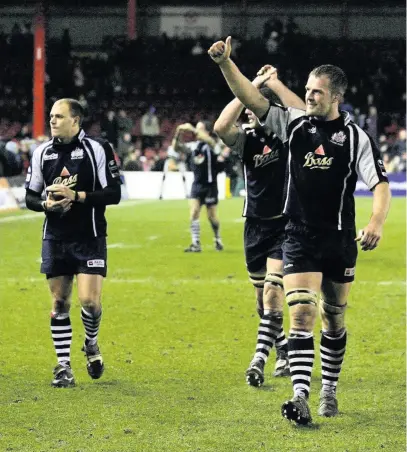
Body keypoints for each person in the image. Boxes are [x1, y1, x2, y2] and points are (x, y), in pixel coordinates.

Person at [208, 37, 391, 424]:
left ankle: (329, 389)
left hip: (339, 239)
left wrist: (375, 222)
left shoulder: (355, 137)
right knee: (302, 315)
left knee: (334, 319)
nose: (308, 97)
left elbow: (380, 185)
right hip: (297, 237)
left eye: (317, 92)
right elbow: (251, 99)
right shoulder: (293, 126)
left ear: (336, 96)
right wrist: (227, 64)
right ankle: (302, 394)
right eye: (306, 90)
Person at [214, 66, 306, 386]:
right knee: (262, 303)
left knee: (271, 294)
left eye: (255, 109)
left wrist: (274, 85)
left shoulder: (286, 135)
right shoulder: (246, 141)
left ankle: (258, 360)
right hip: (254, 227)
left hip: (284, 225)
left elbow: (303, 114)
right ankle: (283, 350)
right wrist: (249, 88)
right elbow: (221, 125)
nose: (250, 116)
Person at [25, 98, 122, 388]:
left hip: (90, 235)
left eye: (59, 116)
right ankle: (63, 366)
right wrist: (46, 205)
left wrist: (75, 196)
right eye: (51, 116)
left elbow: (114, 193)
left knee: (90, 302)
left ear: (76, 120)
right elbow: (29, 196)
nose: (52, 121)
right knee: (59, 302)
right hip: (55, 236)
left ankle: (91, 343)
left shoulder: (98, 149)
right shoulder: (41, 153)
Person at [171, 120, 224, 252]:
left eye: (200, 129)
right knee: (194, 212)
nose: (197, 132)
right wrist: (178, 133)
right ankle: (196, 244)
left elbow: (213, 144)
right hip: (197, 184)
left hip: (210, 185)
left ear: (207, 131)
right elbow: (176, 147)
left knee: (211, 216)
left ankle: (217, 238)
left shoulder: (213, 144)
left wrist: (192, 129)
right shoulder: (194, 146)